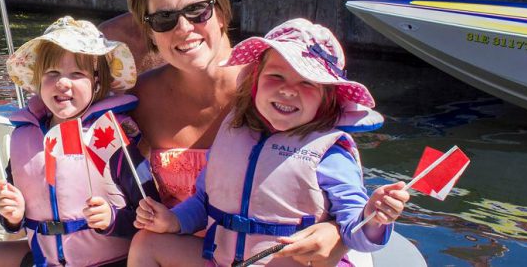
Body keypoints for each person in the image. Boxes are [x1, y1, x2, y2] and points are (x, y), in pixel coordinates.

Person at [126, 0, 362, 266]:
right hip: (193, 253)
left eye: (197, 10)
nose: (183, 28)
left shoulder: (279, 86)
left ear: (221, 12)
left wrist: (337, 235)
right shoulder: (136, 99)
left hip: (283, 253)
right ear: (150, 32)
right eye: (164, 18)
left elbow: (336, 176)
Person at [129, 18, 409, 267]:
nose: (288, 90)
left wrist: (375, 217)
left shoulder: (330, 153)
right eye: (276, 76)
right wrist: (174, 221)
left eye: (308, 83)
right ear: (255, 81)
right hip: (220, 258)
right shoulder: (232, 132)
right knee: (147, 243)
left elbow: (356, 232)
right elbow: (204, 201)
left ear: (328, 98)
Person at [0, 17, 150, 267]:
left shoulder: (111, 136)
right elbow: (17, 217)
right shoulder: (25, 137)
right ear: (39, 81)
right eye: (52, 73)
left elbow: (150, 214)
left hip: (110, 262)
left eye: (77, 73)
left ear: (97, 81)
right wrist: (12, 216)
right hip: (43, 260)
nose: (63, 82)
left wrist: (112, 220)